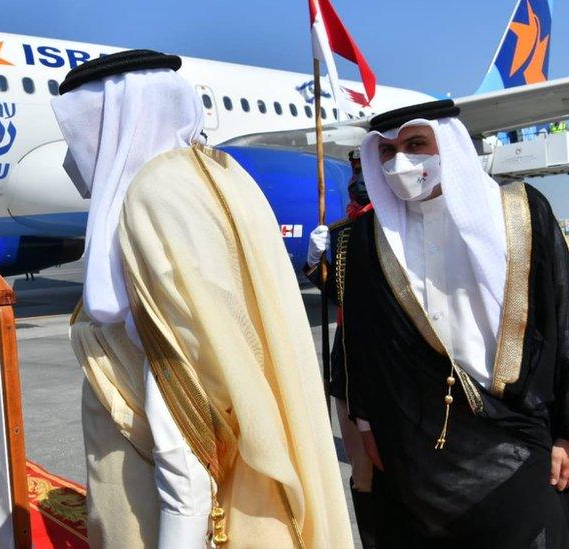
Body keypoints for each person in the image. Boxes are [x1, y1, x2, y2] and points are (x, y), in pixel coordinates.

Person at [54, 49, 353, 548]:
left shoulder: (155, 195)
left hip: (159, 508)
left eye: (80, 137)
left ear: (119, 125)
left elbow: (184, 399)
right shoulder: (215, 175)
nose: (70, 159)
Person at [343, 99, 569, 547]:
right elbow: (358, 345)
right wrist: (367, 428)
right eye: (386, 151)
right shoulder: (369, 238)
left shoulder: (521, 214)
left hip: (512, 433)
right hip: (410, 446)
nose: (399, 160)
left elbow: (561, 322)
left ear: (448, 145)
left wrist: (564, 432)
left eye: (415, 144)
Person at [304, 148, 375, 548]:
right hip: (349, 358)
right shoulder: (343, 230)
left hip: (390, 360)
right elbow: (340, 294)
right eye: (354, 175)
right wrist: (317, 263)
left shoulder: (396, 224)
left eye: (366, 173)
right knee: (362, 473)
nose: (359, 182)